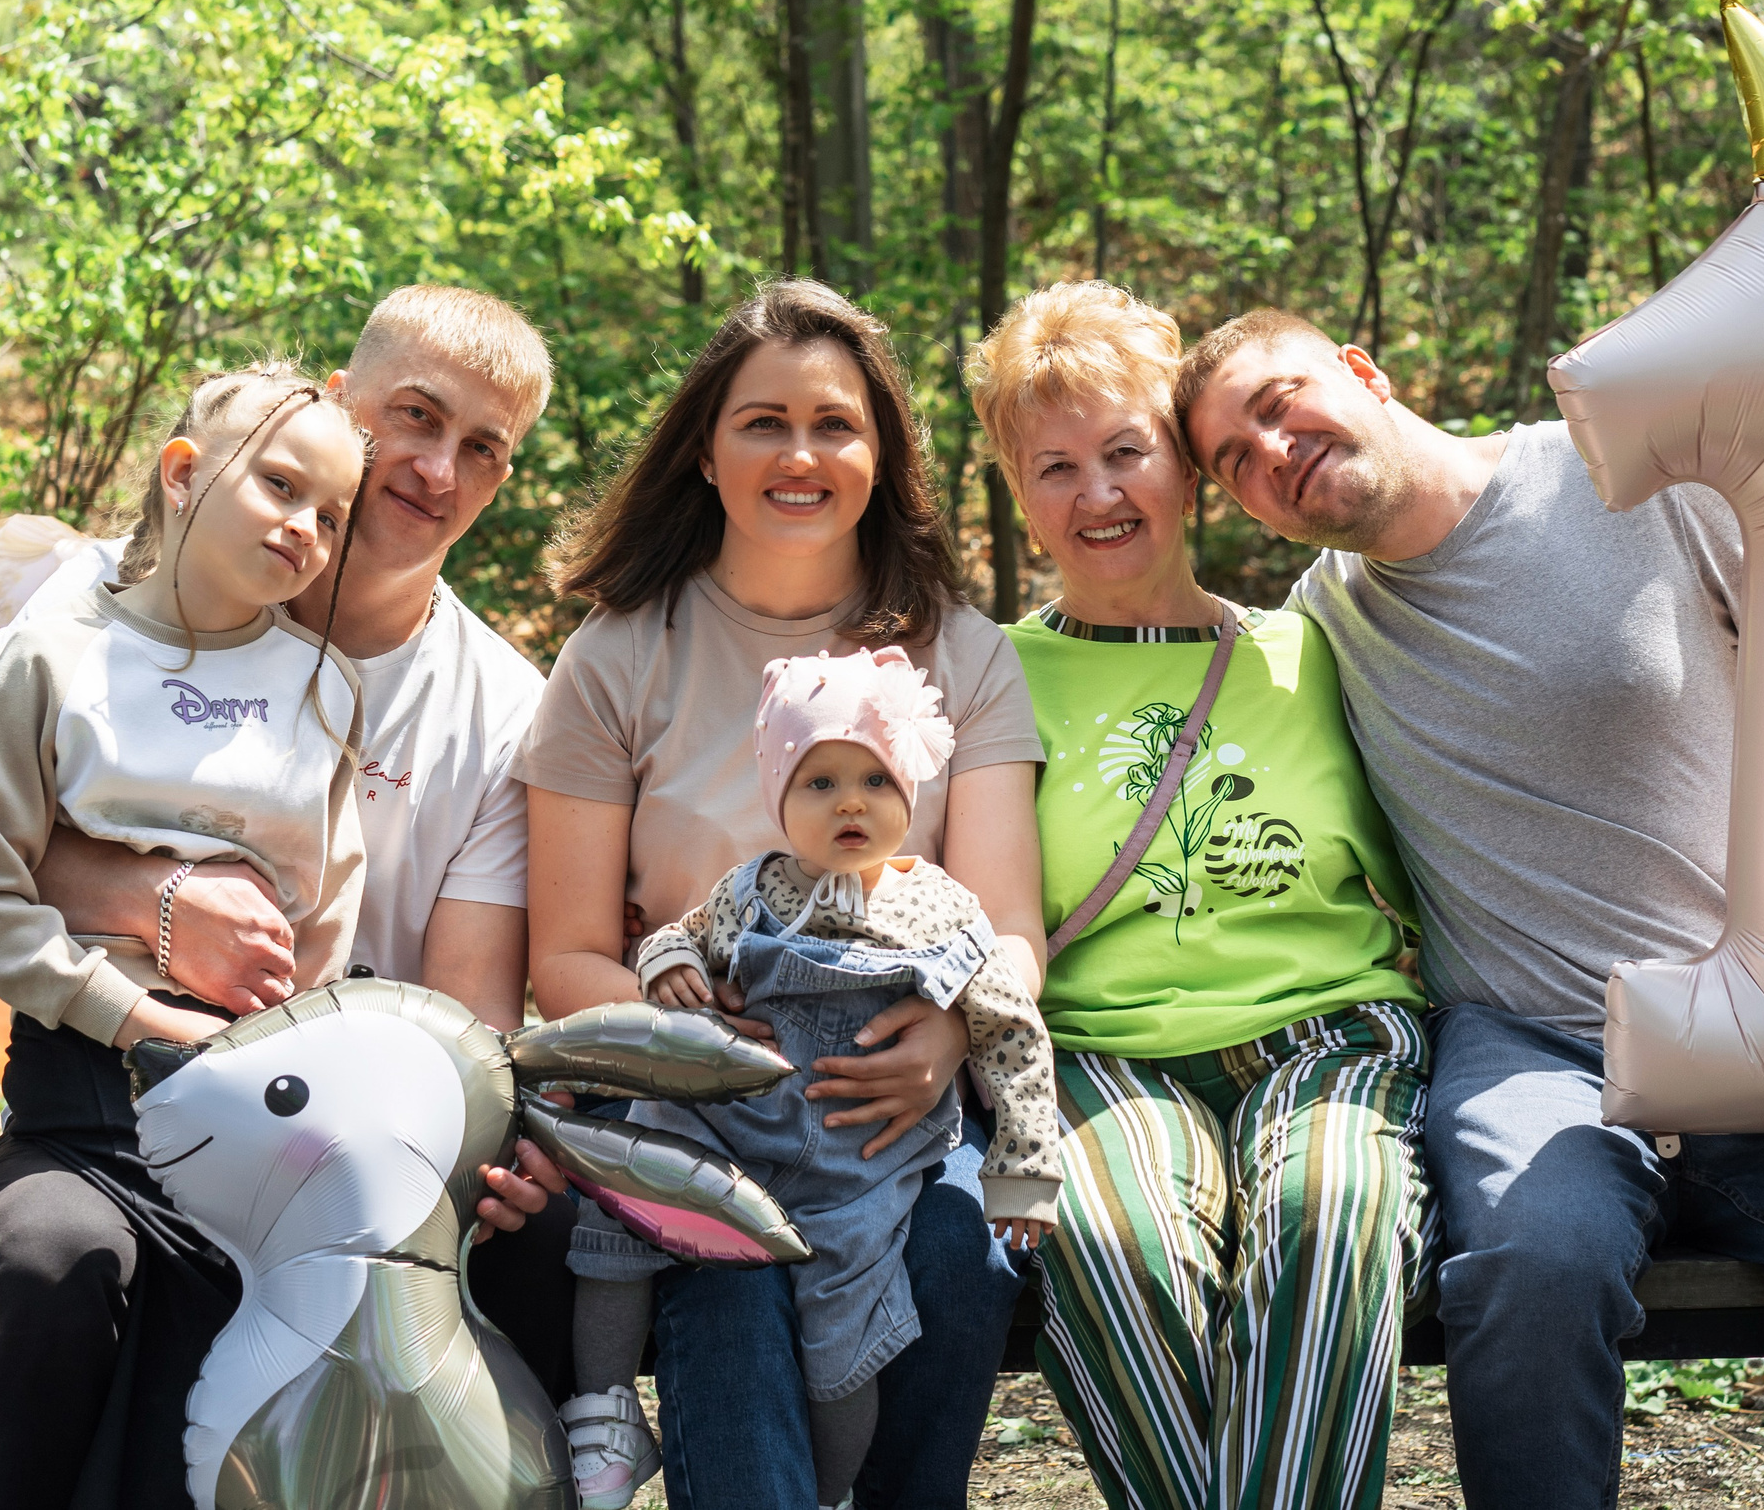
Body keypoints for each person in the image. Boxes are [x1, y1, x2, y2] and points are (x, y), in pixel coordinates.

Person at [1176, 307, 1764, 1510]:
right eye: (1232, 459)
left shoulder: (1627, 480)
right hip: (1534, 1047)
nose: (1271, 450)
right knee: (1536, 1266)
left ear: (1361, 372)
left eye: (1280, 403)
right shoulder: (1314, 635)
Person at [0, 285, 574, 1509]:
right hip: (107, 1086)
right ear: (336, 409)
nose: (439, 469)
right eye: (416, 418)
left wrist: (474, 1148)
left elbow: (467, 1004)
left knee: (538, 1246)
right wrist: (149, 896)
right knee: (52, 1262)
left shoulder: (500, 708)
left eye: (485, 449)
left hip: (332, 1126)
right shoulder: (108, 596)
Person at [515, 277, 1048, 1510]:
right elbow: (572, 957)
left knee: (961, 1258)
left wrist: (955, 1027)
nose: (799, 454)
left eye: (835, 424)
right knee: (727, 1258)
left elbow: (1006, 923)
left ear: (882, 454)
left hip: (903, 1095)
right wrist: (694, 1046)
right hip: (695, 1091)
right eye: (763, 422)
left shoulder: (963, 652)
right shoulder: (617, 656)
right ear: (706, 450)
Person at [966, 281, 1429, 1510]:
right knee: (1111, 1249)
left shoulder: (1317, 647)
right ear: (1019, 494)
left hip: (1330, 1039)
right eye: (1054, 466)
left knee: (1331, 1217)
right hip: (1107, 1057)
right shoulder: (988, 676)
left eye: (1127, 452)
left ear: (1184, 466)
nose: (1098, 494)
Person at [0, 363, 370, 1505]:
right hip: (84, 1106)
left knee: (246, 1315)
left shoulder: (321, 687)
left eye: (331, 513)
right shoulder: (54, 654)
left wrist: (291, 1061)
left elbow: (325, 921)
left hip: (254, 1117)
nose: (308, 528)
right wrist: (126, 1008)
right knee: (49, 1259)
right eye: (280, 486)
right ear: (183, 474)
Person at [569, 647, 1060, 1510]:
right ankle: (606, 1409)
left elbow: (1011, 1028)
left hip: (861, 1159)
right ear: (777, 799)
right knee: (622, 1196)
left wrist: (1023, 1171)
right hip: (731, 1124)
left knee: (848, 1340)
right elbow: (672, 936)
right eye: (819, 783)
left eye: (875, 779)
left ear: (910, 792)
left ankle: (832, 1490)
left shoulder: (940, 907)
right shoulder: (748, 889)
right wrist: (672, 966)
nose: (851, 804)